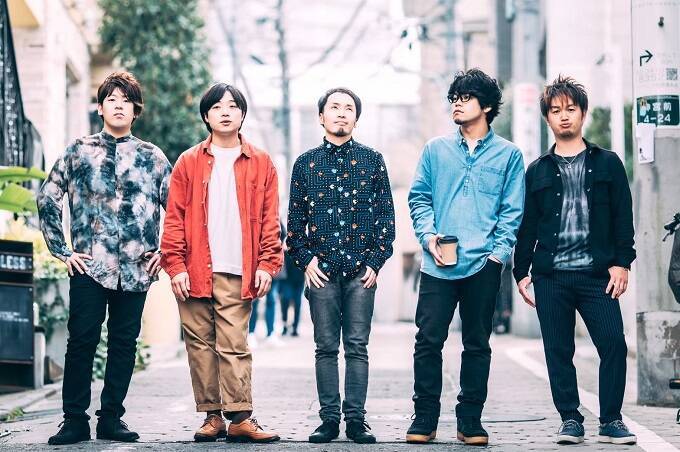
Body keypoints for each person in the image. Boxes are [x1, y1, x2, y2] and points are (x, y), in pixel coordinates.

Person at [38, 71, 171, 445]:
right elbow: (48, 196)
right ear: (99, 107)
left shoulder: (152, 157)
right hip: (89, 266)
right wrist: (62, 250)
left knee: (124, 344)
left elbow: (179, 209)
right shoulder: (79, 151)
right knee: (82, 340)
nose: (118, 106)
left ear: (135, 110)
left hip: (136, 268)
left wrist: (165, 251)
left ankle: (111, 418)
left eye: (126, 100)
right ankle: (74, 420)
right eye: (111, 99)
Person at [513, 75, 637, 445]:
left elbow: (623, 217)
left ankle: (611, 420)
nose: (564, 116)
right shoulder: (537, 170)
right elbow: (527, 226)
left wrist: (622, 263)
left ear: (583, 113)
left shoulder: (608, 163)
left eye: (570, 109)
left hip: (597, 274)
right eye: (556, 110)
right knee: (558, 351)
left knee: (613, 343)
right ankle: (570, 418)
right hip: (551, 276)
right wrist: (521, 272)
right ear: (547, 118)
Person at [407, 68, 525, 446]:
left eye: (465, 98)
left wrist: (497, 256)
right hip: (437, 265)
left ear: (486, 106)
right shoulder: (435, 150)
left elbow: (512, 211)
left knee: (477, 344)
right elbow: (419, 198)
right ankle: (425, 417)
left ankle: (470, 420)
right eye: (454, 99)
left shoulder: (509, 155)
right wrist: (428, 237)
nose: (456, 104)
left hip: (483, 265)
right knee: (428, 341)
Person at [160, 83, 282, 443]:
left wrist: (267, 263)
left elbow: (270, 218)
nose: (225, 112)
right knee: (199, 345)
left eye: (233, 106)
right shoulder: (188, 161)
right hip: (195, 267)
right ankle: (212, 416)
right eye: (217, 106)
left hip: (238, 269)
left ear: (242, 115)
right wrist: (175, 266)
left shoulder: (261, 162)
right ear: (206, 115)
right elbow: (174, 217)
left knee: (234, 345)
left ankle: (240, 417)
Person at [287, 87, 395, 444]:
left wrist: (376, 262)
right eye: (334, 107)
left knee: (357, 347)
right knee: (325, 347)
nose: (341, 113)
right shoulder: (305, 164)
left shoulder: (372, 160)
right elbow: (295, 224)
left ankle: (356, 421)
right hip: (321, 273)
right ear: (321, 117)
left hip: (361, 273)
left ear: (356, 119)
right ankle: (329, 420)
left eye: (349, 108)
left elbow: (386, 217)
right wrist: (306, 262)